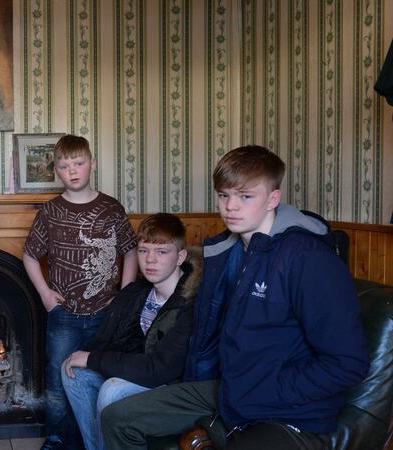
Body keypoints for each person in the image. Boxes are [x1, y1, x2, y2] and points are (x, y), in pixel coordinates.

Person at [101, 146, 370, 449]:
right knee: (117, 417)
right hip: (232, 389)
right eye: (224, 195)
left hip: (289, 408)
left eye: (245, 196)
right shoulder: (228, 253)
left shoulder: (309, 260)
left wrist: (266, 389)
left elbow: (347, 363)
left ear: (273, 199)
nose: (231, 206)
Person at [23, 134, 138, 449]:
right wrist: (45, 293)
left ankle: (98, 438)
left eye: (79, 163)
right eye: (64, 166)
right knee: (60, 381)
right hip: (64, 316)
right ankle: (60, 439)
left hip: (107, 313)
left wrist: (125, 294)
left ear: (92, 165)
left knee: (99, 378)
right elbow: (30, 256)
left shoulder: (111, 208)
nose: (72, 170)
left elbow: (130, 251)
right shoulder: (50, 211)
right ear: (56, 172)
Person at [61, 213, 200, 450]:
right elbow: (108, 339)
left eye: (162, 252)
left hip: (173, 383)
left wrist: (93, 359)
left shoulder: (190, 302)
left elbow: (159, 369)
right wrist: (84, 357)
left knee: (112, 389)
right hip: (140, 370)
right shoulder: (136, 293)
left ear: (180, 257)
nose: (151, 260)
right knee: (73, 372)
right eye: (144, 251)